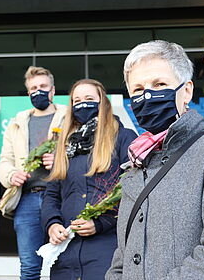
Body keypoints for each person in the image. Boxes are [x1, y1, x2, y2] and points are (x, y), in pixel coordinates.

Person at [106, 40, 204, 279]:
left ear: (187, 91)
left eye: (159, 83)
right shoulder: (135, 169)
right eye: (138, 89)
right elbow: (123, 259)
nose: (147, 94)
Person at [40, 79, 137, 280]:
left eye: (89, 99)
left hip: (107, 248)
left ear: (103, 103)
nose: (82, 104)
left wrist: (101, 222)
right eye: (77, 100)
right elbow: (51, 196)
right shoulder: (64, 146)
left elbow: (133, 190)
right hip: (65, 251)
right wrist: (52, 224)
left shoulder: (123, 137)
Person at [0, 66, 67, 280]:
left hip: (61, 197)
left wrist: (60, 161)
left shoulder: (69, 117)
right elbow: (4, 161)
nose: (38, 91)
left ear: (53, 90)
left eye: (43, 86)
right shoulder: (17, 124)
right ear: (28, 93)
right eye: (33, 88)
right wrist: (10, 176)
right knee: (29, 267)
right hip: (26, 198)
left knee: (66, 263)